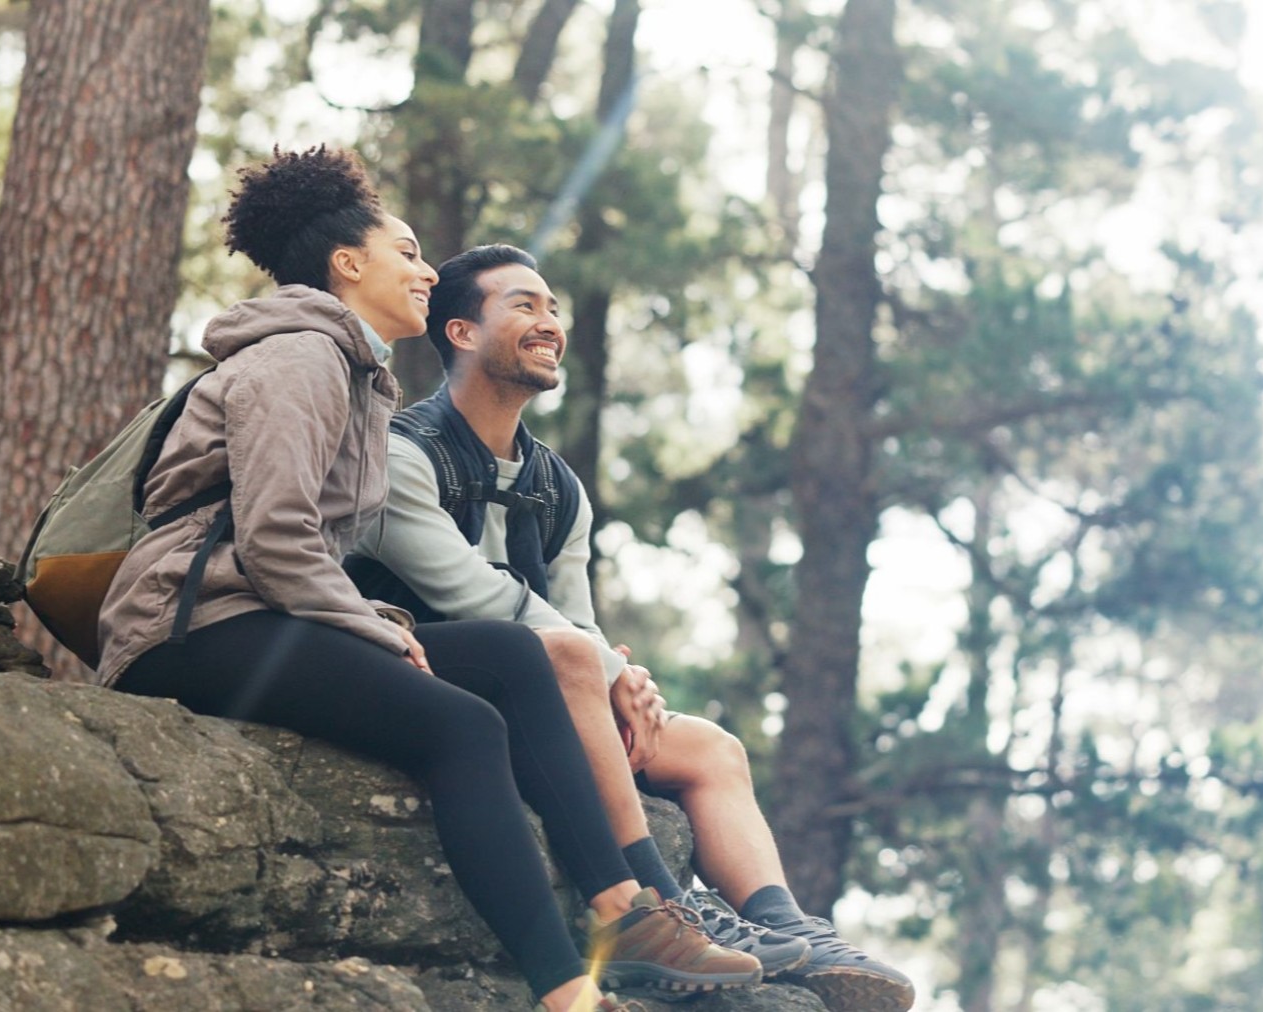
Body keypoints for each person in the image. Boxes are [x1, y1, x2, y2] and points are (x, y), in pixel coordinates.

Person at [93, 148, 762, 1012]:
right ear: (348, 264)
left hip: (251, 611)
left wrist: (376, 621)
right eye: (406, 252)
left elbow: (300, 556)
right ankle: (566, 990)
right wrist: (380, 631)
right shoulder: (299, 357)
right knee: (462, 727)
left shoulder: (356, 374)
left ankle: (625, 910)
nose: (426, 270)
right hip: (189, 625)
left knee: (512, 656)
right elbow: (276, 541)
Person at [345, 242, 917, 1012]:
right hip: (426, 673)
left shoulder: (556, 486)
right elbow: (471, 593)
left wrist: (627, 688)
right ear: (461, 332)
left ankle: (789, 930)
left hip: (546, 690)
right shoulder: (401, 452)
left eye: (553, 307)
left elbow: (575, 616)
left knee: (711, 747)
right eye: (523, 305)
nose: (549, 322)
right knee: (572, 658)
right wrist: (611, 674)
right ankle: (652, 907)